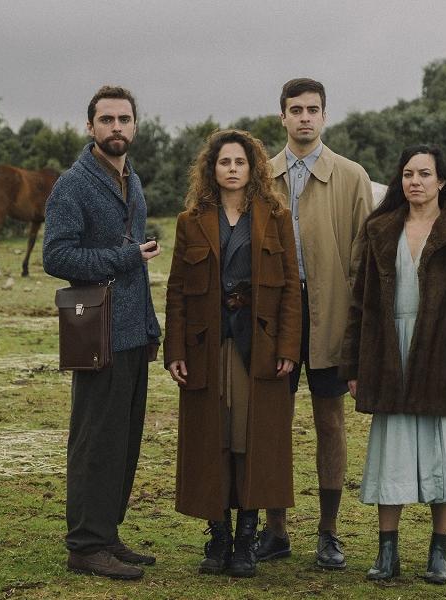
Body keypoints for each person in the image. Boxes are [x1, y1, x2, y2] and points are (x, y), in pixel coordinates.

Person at [339, 145, 446, 583]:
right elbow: (362, 302)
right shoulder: (380, 228)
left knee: (442, 453)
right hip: (389, 352)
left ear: (442, 180)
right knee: (392, 453)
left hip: (444, 355)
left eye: (424, 174)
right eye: (407, 173)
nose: (415, 182)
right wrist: (355, 363)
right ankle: (387, 552)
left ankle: (438, 553)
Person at [164, 129, 301, 578]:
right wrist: (175, 350)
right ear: (212, 168)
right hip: (207, 347)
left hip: (256, 346)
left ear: (253, 168)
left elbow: (290, 292)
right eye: (224, 162)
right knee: (212, 439)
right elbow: (178, 291)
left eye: (240, 162)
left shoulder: (276, 216)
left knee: (250, 440)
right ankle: (217, 536)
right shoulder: (192, 220)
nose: (232, 169)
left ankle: (247, 537)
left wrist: (287, 347)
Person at [43, 85, 161, 581]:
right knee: (95, 439)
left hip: (132, 331)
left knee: (124, 439)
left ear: (135, 126)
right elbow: (57, 256)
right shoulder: (73, 185)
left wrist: (151, 325)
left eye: (125, 119)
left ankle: (107, 533)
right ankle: (85, 545)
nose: (117, 127)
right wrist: (124, 257)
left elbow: (136, 259)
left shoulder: (130, 180)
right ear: (90, 127)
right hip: (95, 330)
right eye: (107, 119)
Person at [256, 78, 373, 570]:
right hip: (276, 316)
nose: (304, 117)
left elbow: (364, 259)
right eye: (295, 109)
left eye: (313, 109)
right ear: (281, 116)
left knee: (330, 421)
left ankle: (328, 532)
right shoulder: (261, 175)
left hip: (333, 315)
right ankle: (276, 528)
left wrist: (359, 327)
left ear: (325, 116)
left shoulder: (351, 176)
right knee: (271, 422)